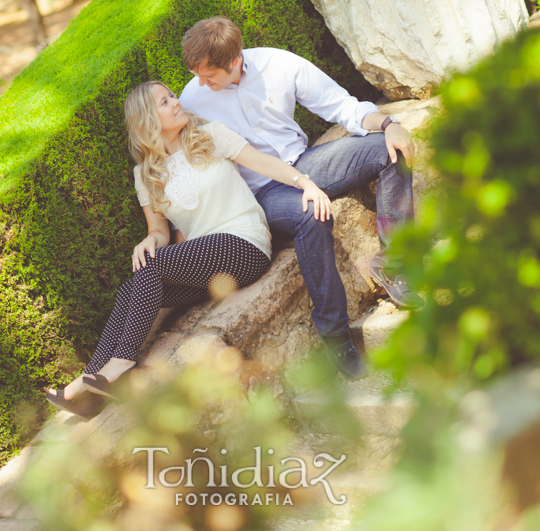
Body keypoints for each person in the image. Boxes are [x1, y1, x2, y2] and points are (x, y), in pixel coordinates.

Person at [46, 79, 332, 418]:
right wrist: (149, 241)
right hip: (207, 267)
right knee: (130, 287)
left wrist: (306, 184)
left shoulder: (210, 135)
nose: (175, 101)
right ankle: (89, 390)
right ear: (147, 121)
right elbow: (159, 231)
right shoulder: (146, 174)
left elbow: (263, 163)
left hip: (244, 245)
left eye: (172, 96)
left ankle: (122, 363)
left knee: (151, 268)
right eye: (164, 102)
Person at [179, 16, 418, 381]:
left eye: (208, 75)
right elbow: (177, 163)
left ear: (233, 60)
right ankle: (335, 337)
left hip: (306, 164)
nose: (201, 83)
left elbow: (344, 107)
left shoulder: (279, 64)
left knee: (387, 150)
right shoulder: (192, 100)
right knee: (311, 215)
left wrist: (389, 124)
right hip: (263, 194)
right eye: (197, 75)